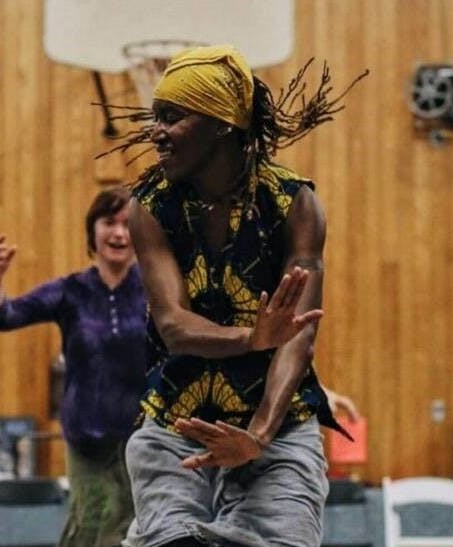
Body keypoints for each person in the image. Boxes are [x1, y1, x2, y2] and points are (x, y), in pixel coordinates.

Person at [116, 45, 367, 546]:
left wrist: (257, 435)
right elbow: (173, 325)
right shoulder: (150, 207)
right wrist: (252, 337)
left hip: (278, 428)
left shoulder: (294, 204)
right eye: (156, 117)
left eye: (171, 118)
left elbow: (298, 334)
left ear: (220, 124)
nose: (156, 132)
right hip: (177, 426)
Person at [0, 186, 146, 547]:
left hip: (143, 437)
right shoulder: (71, 291)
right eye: (109, 222)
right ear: (92, 231)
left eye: (127, 224)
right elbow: (6, 316)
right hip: (88, 438)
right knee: (90, 524)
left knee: (133, 530)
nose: (119, 233)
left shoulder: (156, 289)